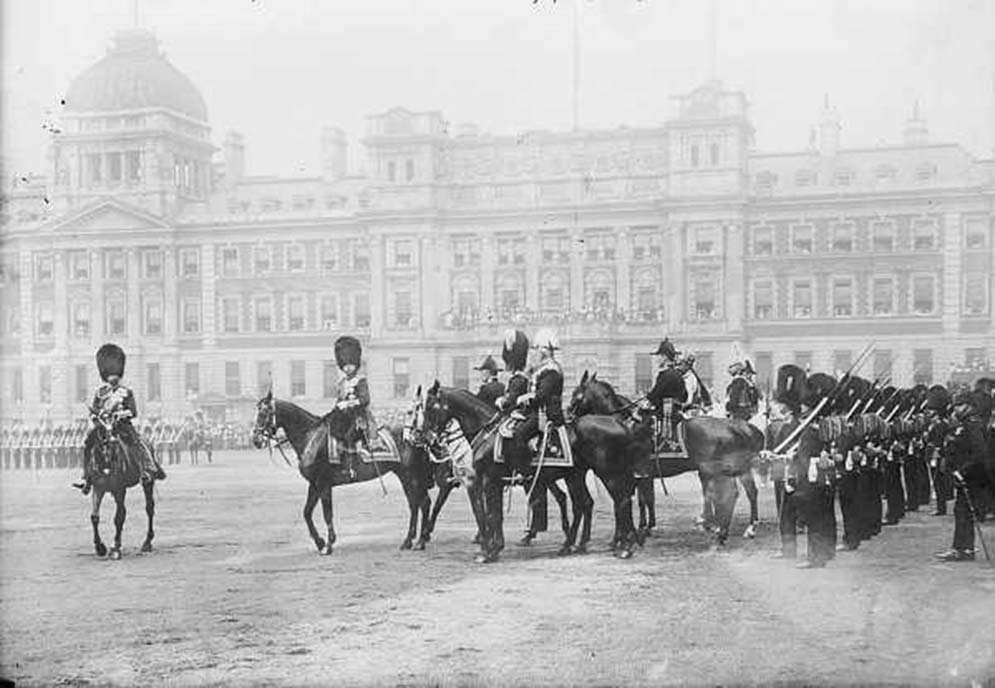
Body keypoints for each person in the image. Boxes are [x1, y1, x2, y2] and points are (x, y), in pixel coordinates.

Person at [74, 343, 166, 494]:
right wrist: (98, 416)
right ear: (106, 376)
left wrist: (121, 414)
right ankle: (87, 477)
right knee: (88, 444)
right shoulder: (100, 393)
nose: (112, 378)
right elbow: (93, 412)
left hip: (122, 426)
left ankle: (147, 470)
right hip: (104, 427)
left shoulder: (126, 392)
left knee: (138, 443)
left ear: (119, 375)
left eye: (115, 374)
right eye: (110, 375)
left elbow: (134, 412)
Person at [934, 390, 994, 562]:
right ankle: (963, 548)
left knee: (963, 512)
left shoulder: (973, 425)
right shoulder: (966, 423)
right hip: (967, 475)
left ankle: (962, 549)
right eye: (955, 406)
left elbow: (980, 453)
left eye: (960, 405)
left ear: (970, 406)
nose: (957, 409)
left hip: (972, 477)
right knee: (962, 511)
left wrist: (962, 471)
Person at [510, 329, 567, 475]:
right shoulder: (542, 369)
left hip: (546, 413)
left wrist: (524, 398)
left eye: (539, 349)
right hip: (538, 411)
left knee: (520, 434)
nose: (536, 352)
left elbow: (542, 395)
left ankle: (526, 471)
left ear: (546, 350)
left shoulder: (551, 370)